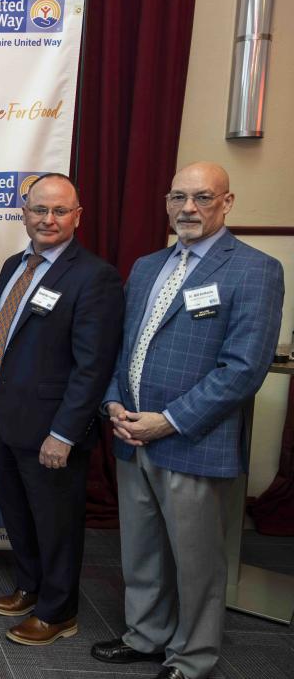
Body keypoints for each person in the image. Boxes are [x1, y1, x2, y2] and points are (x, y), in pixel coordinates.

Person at [92, 162, 284, 679]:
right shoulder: (148, 266)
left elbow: (244, 369)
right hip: (132, 433)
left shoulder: (254, 269)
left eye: (202, 197)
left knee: (197, 562)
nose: (188, 209)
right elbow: (123, 347)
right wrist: (113, 404)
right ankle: (145, 635)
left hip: (193, 440)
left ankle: (192, 658)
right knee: (141, 550)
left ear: (227, 202)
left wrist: (169, 421)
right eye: (178, 197)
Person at [0, 174, 123, 645]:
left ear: (78, 216)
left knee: (56, 522)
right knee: (18, 512)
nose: (48, 219)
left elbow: (92, 367)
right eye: (39, 209)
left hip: (51, 427)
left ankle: (59, 611)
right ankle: (30, 586)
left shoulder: (93, 276)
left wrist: (64, 433)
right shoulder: (17, 263)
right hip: (6, 413)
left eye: (60, 211)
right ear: (24, 212)